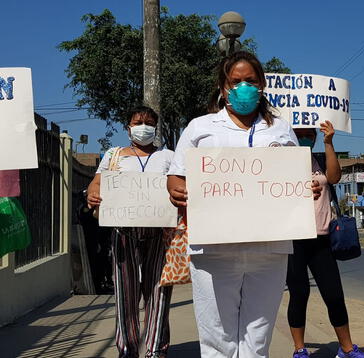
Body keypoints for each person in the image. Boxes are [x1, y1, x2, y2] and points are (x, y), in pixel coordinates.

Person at [165, 51, 321, 358]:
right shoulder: (200, 127)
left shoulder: (280, 128)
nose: (243, 87)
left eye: (250, 80)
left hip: (270, 249)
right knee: (216, 339)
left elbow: (298, 177)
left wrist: (309, 186)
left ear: (262, 84)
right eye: (235, 81)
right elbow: (175, 177)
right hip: (213, 251)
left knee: (257, 338)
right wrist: (177, 189)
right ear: (223, 87)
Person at [86, 106, 174, 358]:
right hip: (124, 232)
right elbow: (97, 182)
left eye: (148, 122)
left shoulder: (167, 156)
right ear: (128, 127)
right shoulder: (113, 155)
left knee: (158, 292)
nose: (143, 126)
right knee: (126, 295)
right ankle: (127, 348)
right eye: (138, 122)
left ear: (155, 128)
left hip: (160, 233)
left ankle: (156, 349)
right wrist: (94, 193)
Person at [288, 123, 364, 358]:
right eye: (300, 135)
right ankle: (300, 350)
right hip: (293, 239)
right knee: (299, 293)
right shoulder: (282, 164)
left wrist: (328, 143)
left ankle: (346, 349)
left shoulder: (321, 159)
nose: (305, 138)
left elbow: (334, 178)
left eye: (309, 135)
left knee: (334, 294)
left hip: (322, 238)